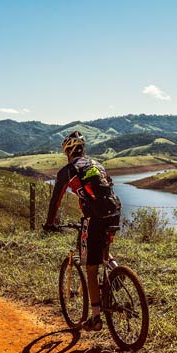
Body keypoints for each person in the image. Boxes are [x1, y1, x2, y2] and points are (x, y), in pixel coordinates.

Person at [44, 131, 122, 332]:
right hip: (114, 212)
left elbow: (55, 201)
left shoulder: (68, 171)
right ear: (83, 150)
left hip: (94, 218)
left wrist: (49, 223)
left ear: (68, 152)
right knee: (102, 250)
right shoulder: (97, 165)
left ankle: (95, 318)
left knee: (91, 267)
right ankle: (117, 270)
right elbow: (110, 187)